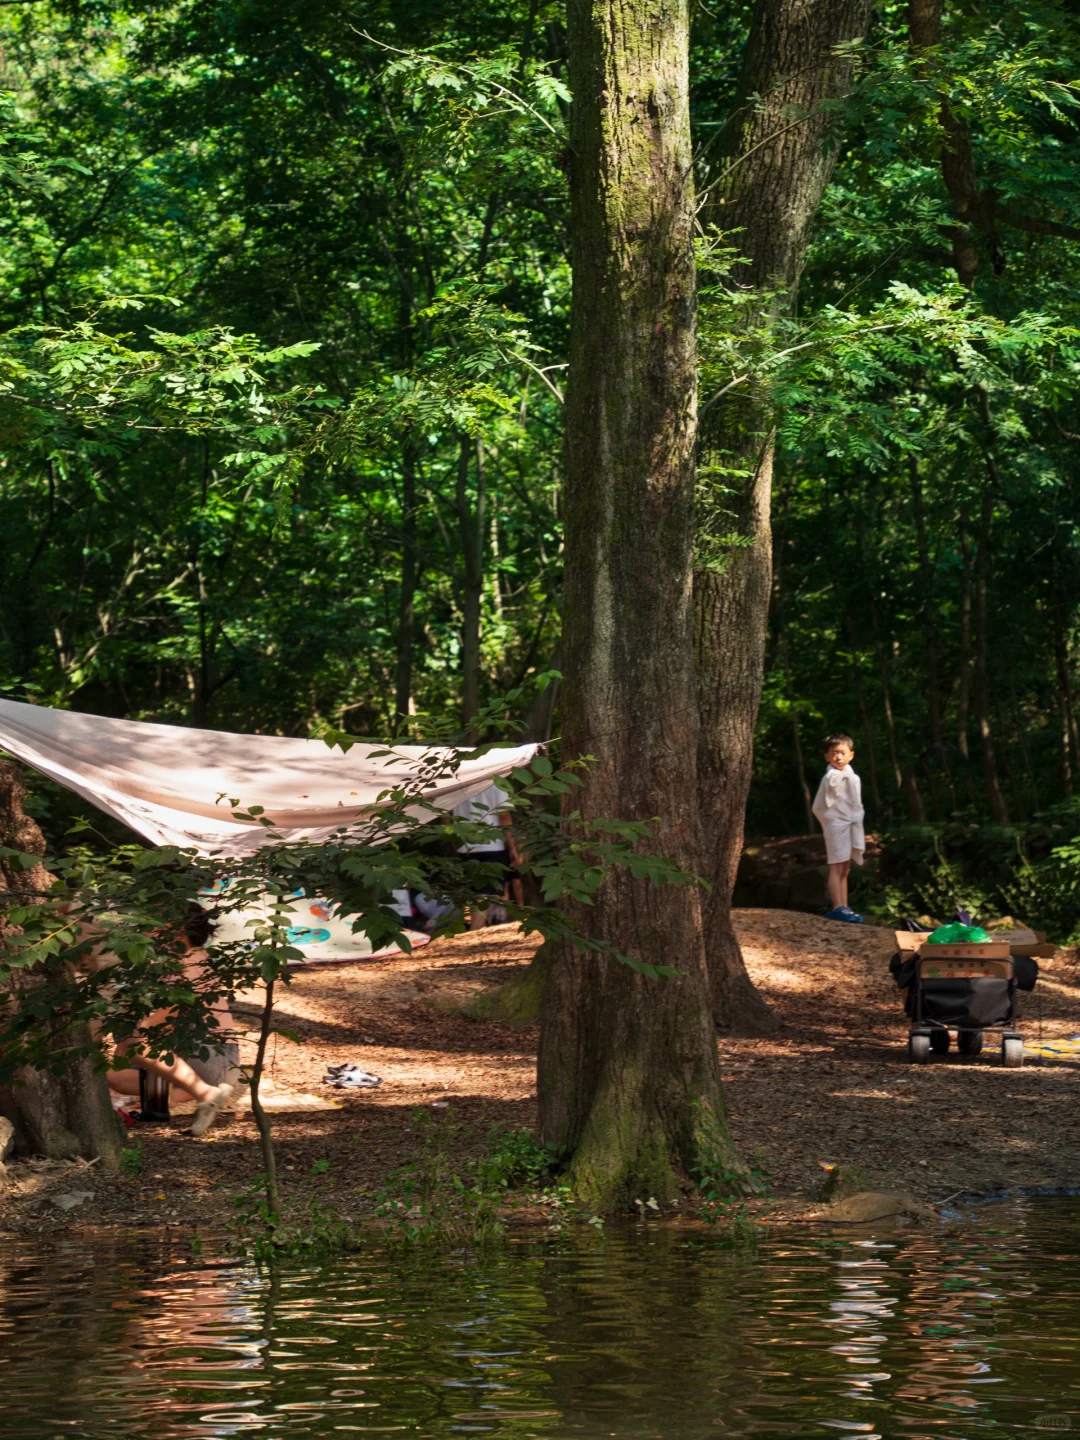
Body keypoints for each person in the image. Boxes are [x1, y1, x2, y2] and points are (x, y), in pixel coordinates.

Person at [104, 905, 238, 1136]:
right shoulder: (169, 963)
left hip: (213, 1057)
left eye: (156, 925)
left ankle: (204, 1092)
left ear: (178, 931)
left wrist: (128, 1040)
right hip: (191, 1059)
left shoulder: (188, 965)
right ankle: (180, 1093)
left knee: (134, 1043)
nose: (147, 930)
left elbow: (158, 1024)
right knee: (108, 1074)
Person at [451, 780, 522, 929]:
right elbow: (504, 816)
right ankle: (474, 932)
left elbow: (447, 814)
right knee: (486, 893)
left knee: (476, 893)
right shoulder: (497, 784)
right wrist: (513, 847)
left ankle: (477, 929)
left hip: (465, 846)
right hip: (491, 844)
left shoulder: (459, 782)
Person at [812, 732, 865, 924]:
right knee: (836, 865)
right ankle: (837, 906)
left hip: (850, 825)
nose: (838, 757)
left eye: (842, 753)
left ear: (851, 754)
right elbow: (821, 805)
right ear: (827, 756)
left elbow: (855, 804)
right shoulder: (831, 777)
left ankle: (845, 906)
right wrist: (833, 820)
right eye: (834, 753)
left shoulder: (853, 777)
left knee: (845, 867)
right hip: (836, 824)